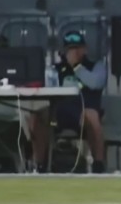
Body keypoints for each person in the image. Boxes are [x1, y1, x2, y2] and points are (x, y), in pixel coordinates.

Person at [29, 30, 108, 173]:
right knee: (38, 116)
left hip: (84, 111)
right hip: (59, 111)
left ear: (85, 49)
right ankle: (39, 164)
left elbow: (96, 83)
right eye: (71, 49)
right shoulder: (55, 69)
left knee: (92, 116)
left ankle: (98, 164)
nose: (74, 52)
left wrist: (76, 67)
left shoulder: (97, 66)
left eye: (77, 48)